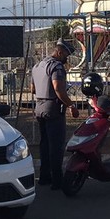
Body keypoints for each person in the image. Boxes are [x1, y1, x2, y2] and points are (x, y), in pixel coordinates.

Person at [30, 38, 79, 189]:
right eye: (66, 55)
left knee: (44, 144)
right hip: (53, 109)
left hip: (39, 107)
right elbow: (58, 88)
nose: (66, 58)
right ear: (59, 51)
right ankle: (57, 181)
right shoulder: (56, 66)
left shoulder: (37, 66)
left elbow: (32, 89)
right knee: (56, 146)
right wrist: (71, 105)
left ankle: (44, 177)